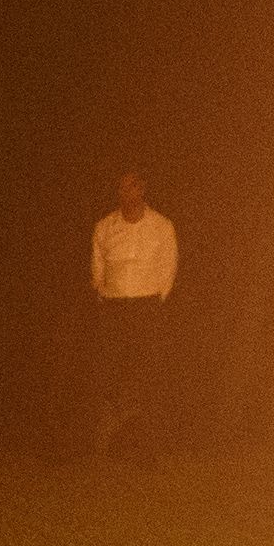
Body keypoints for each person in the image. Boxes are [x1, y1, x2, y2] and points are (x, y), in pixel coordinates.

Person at [88, 168, 181, 457]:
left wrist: (157, 298)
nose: (126, 194)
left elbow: (169, 265)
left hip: (147, 306)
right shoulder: (105, 226)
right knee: (110, 371)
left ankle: (146, 445)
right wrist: (103, 292)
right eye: (121, 188)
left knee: (147, 372)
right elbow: (98, 264)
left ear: (142, 190)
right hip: (115, 307)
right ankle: (105, 441)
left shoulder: (161, 226)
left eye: (132, 187)